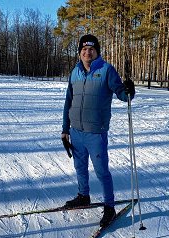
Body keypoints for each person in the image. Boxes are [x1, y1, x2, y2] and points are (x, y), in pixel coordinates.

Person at [61, 34, 135, 227]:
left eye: (91, 49)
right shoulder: (75, 72)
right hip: (76, 130)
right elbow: (68, 101)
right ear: (79, 52)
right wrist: (65, 128)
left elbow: (120, 92)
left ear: (97, 51)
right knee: (80, 167)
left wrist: (127, 92)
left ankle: (109, 207)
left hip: (96, 132)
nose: (88, 52)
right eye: (84, 49)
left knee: (102, 171)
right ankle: (83, 196)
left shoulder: (106, 70)